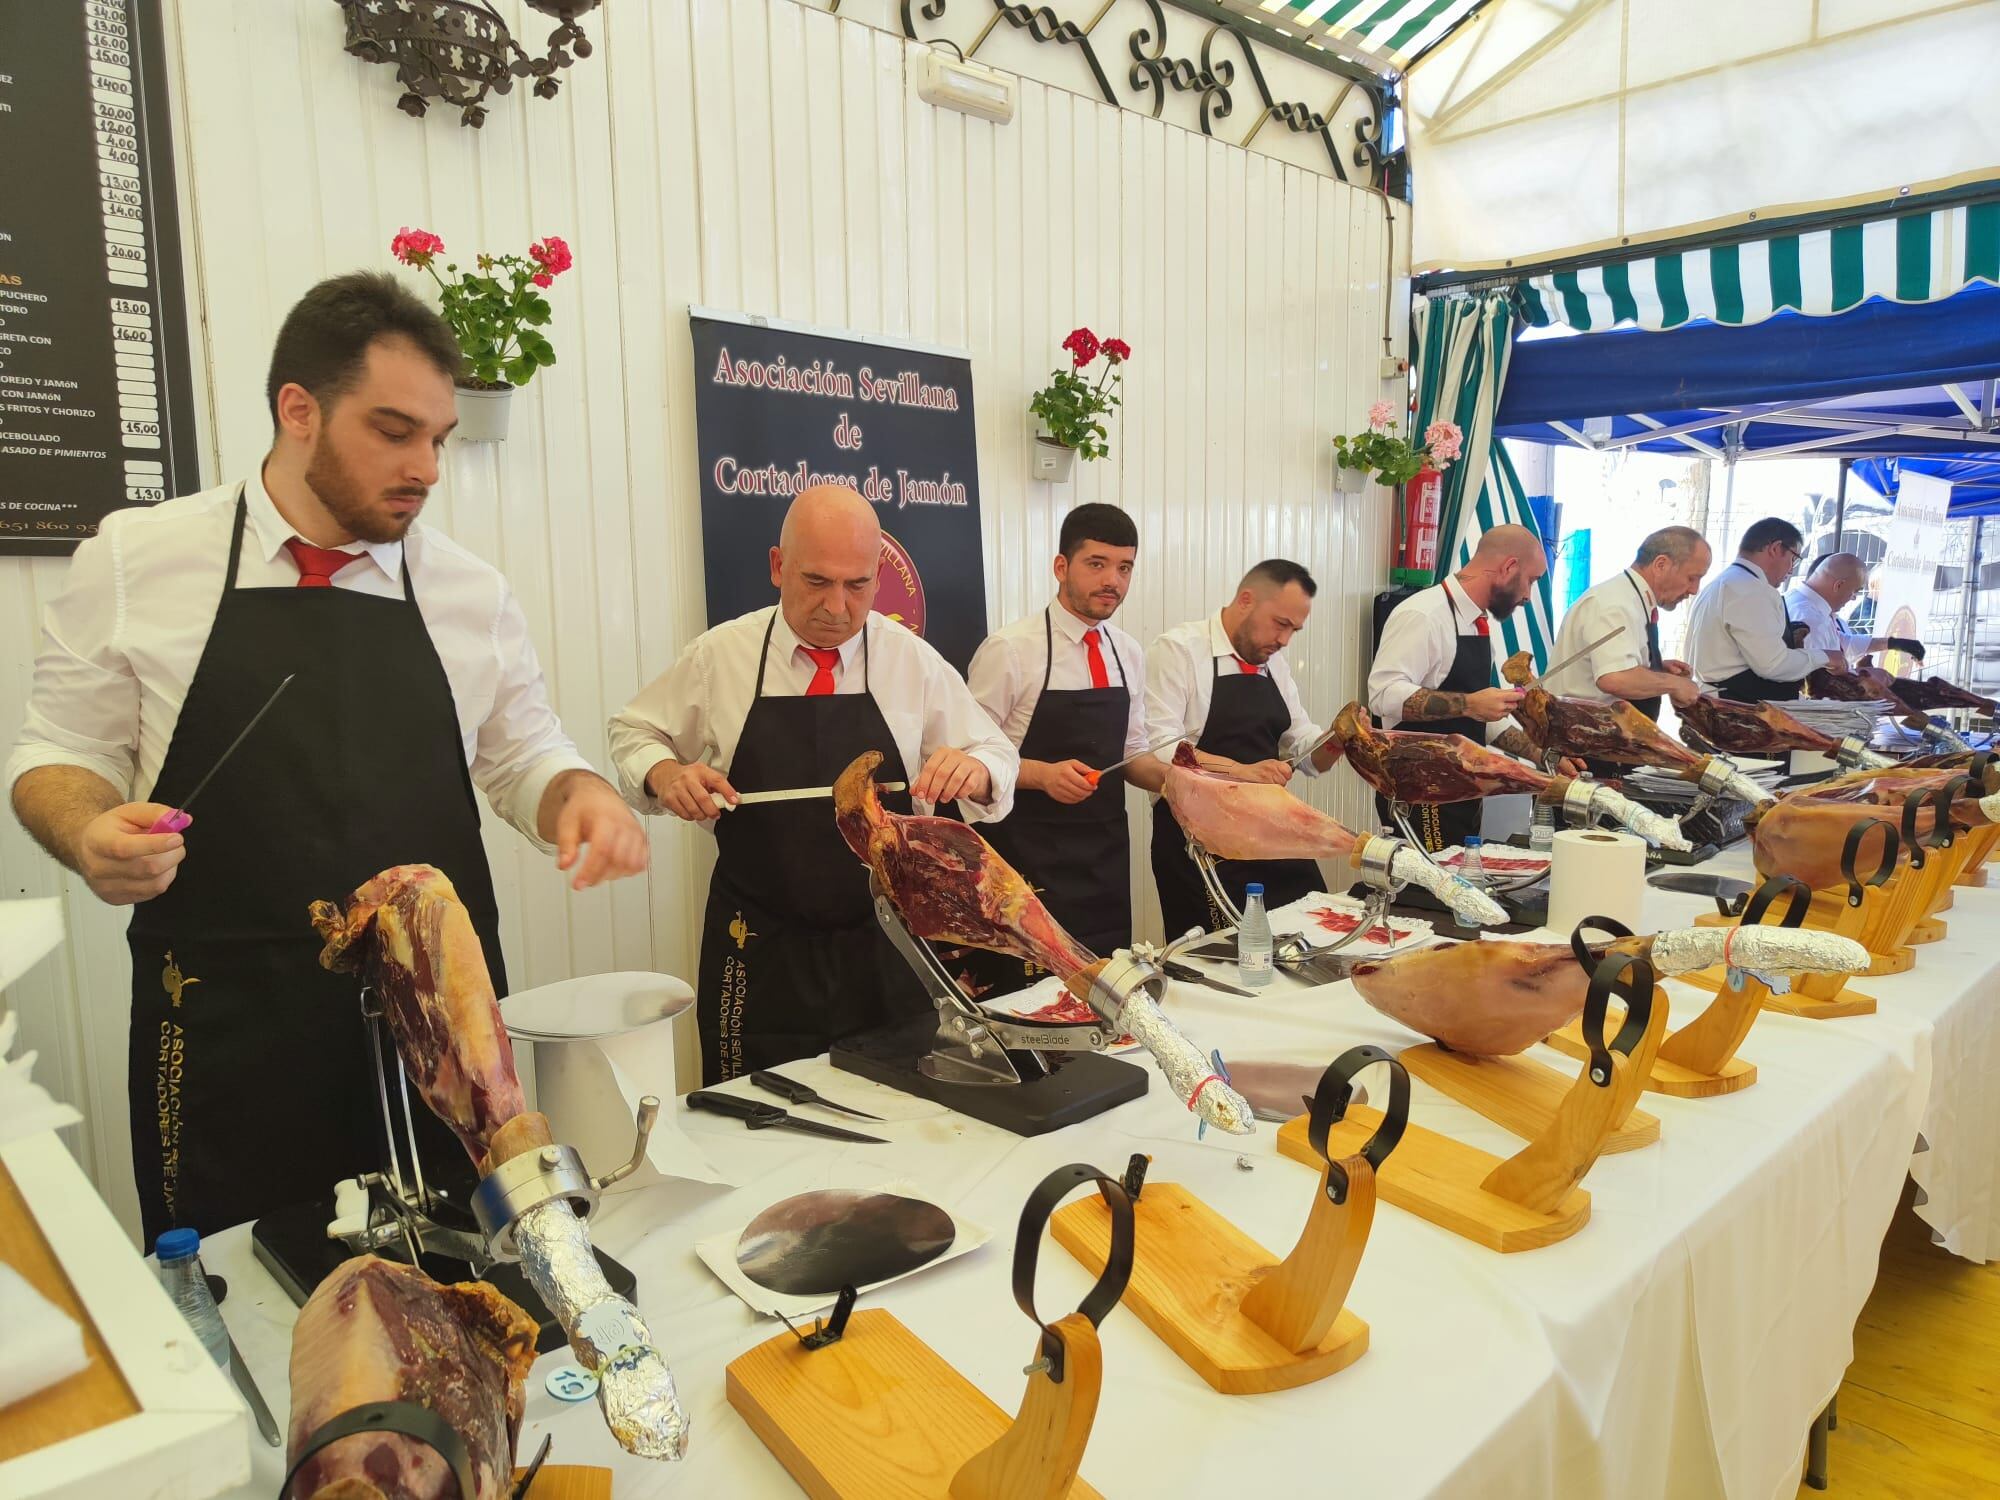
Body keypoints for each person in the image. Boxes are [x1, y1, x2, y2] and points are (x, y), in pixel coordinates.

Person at [6, 272, 648, 1243]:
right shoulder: (139, 562)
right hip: (228, 1041)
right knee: (249, 1320)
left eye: (439, 438)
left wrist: (580, 798)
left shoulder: (470, 593)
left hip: (437, 1038)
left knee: (460, 1299)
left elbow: (525, 753)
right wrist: (89, 827)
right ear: (297, 411)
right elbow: (58, 752)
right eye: (394, 432)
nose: (426, 468)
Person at [608, 484, 1018, 1084]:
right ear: (778, 566)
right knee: (755, 1122)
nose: (837, 607)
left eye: (857, 586)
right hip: (758, 946)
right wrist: (665, 771)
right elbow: (632, 731)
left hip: (886, 946)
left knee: (899, 1123)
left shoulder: (914, 662)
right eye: (817, 581)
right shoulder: (720, 657)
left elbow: (995, 753)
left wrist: (977, 772)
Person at [965, 504, 1146, 994]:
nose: (1112, 580)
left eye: (1124, 567)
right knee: (1029, 1010)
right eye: (1097, 564)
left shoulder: (1128, 653)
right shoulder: (1010, 650)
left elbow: (1135, 751)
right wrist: (1043, 775)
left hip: (1106, 864)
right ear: (1061, 567)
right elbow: (971, 758)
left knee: (1106, 1003)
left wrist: (1182, 780)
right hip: (1028, 865)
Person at [1132, 559, 1340, 939]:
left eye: (1294, 630)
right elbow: (1158, 748)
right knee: (1220, 964)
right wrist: (1241, 772)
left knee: (1311, 936)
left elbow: (1305, 751)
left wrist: (1342, 740)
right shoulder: (1178, 651)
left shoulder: (1273, 663)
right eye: (1280, 624)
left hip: (1269, 833)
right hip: (1200, 844)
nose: (1284, 641)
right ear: (1246, 600)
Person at [1366, 525, 1576, 849]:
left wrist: (1540, 755)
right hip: (1421, 794)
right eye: (1531, 580)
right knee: (1423, 898)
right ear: (1509, 567)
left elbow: (1483, 717)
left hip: (1462, 794)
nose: (1528, 596)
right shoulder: (1423, 615)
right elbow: (1383, 695)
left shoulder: (1477, 624)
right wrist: (1469, 704)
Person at [1543, 525, 1712, 721]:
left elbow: (1605, 664)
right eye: (1692, 578)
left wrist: (1654, 668)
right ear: (1661, 565)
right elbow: (1615, 678)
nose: (1694, 590)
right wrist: (1674, 683)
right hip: (1580, 738)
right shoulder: (1614, 604)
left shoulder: (1631, 600)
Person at [1684, 517, 1842, 701]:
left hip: (1718, 700)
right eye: (1793, 558)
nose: (1791, 569)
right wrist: (1825, 657)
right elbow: (1773, 664)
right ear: (1775, 549)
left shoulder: (1725, 582)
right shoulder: (1751, 589)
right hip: (1736, 708)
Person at [1783, 552, 1926, 671]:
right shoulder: (1809, 617)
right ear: (1838, 585)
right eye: (1854, 591)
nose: (1853, 598)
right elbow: (1817, 682)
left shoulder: (1806, 603)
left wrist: (1893, 643)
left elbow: (1841, 643)